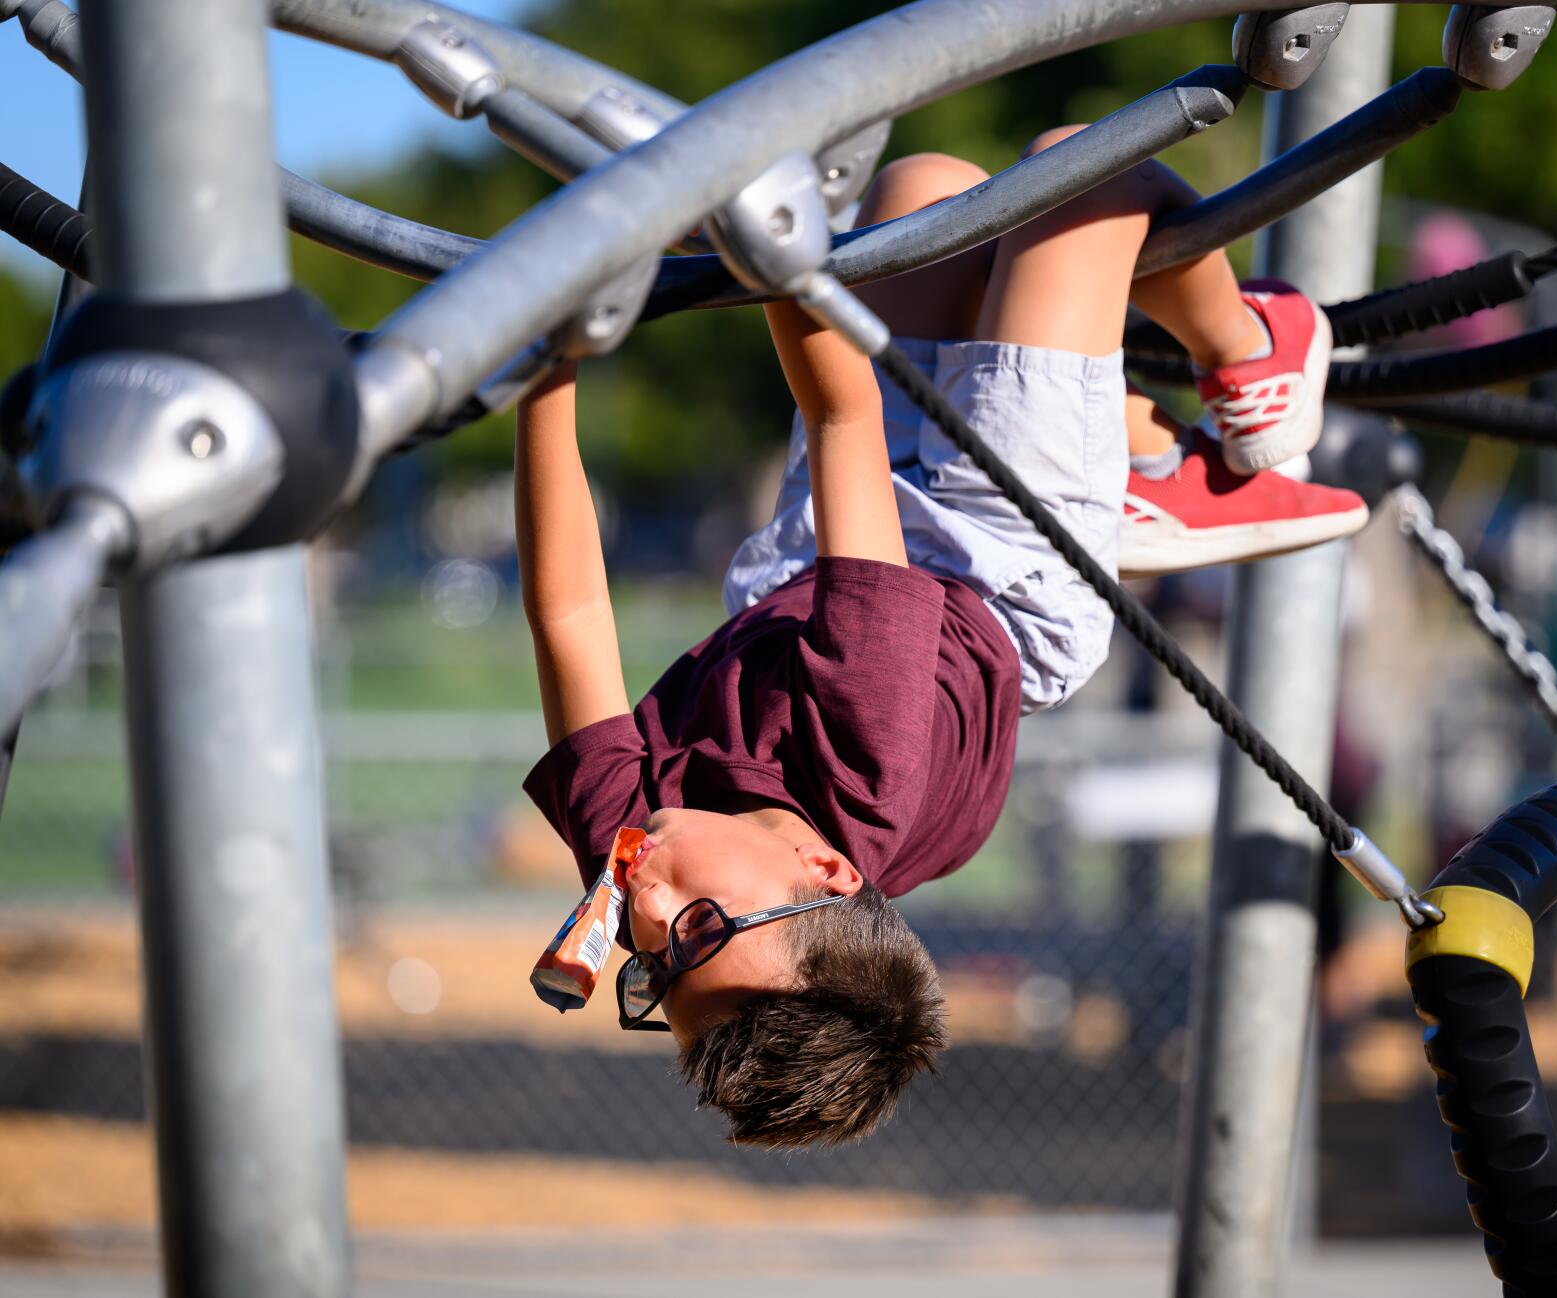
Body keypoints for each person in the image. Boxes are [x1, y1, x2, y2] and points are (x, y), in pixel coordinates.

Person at [514, 130, 1368, 1148]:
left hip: (819, 562)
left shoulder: (632, 845)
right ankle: (1243, 358)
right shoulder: (867, 757)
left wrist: (542, 367)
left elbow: (566, 611)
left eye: (655, 974)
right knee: (1083, 172)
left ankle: (1135, 458)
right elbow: (840, 417)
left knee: (925, 191)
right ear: (826, 872)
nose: (649, 917)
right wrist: (773, 242)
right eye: (700, 927)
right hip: (1004, 572)